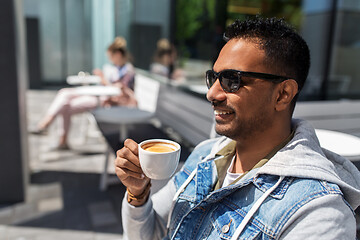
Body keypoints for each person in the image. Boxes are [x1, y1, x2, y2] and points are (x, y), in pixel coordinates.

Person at [115, 17, 360, 239]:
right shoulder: (205, 157)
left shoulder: (317, 212)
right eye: (213, 78)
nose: (212, 93)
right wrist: (138, 194)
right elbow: (153, 233)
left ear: (283, 94)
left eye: (232, 80)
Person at [31, 37, 136, 149]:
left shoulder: (127, 70)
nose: (110, 60)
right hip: (100, 95)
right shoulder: (117, 68)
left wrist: (102, 78)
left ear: (118, 54)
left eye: (111, 56)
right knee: (64, 93)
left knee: (65, 106)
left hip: (106, 100)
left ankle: (56, 134)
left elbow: (118, 91)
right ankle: (48, 124)